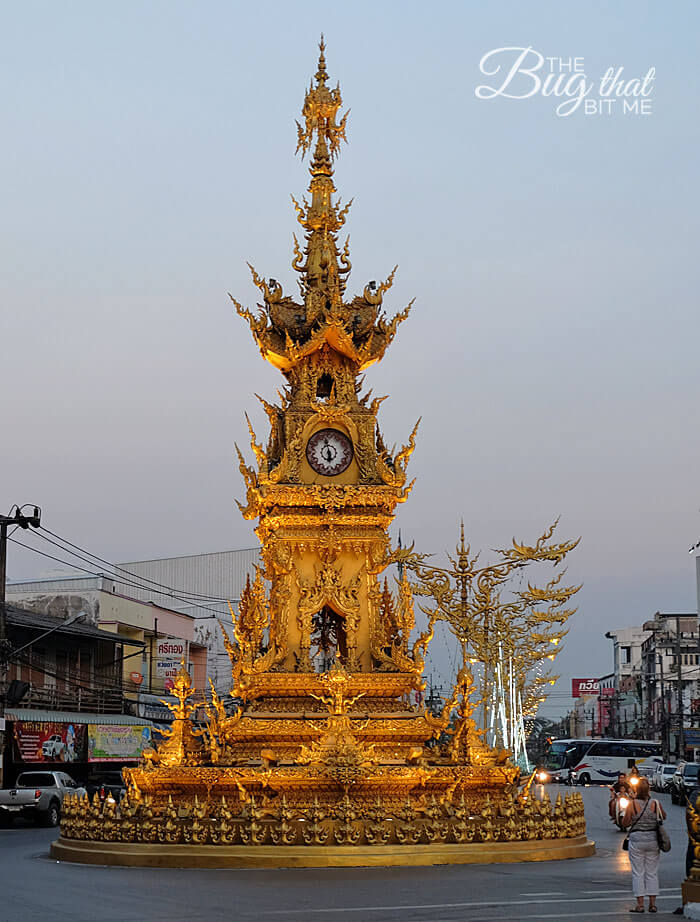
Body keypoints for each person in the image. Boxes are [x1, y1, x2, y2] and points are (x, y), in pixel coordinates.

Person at [623, 776, 667, 913]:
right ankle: (652, 904)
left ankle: (640, 905)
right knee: (652, 872)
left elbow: (625, 822)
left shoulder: (633, 804)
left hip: (637, 840)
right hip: (653, 839)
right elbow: (663, 816)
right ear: (649, 789)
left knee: (638, 872)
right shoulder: (655, 803)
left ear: (636, 790)